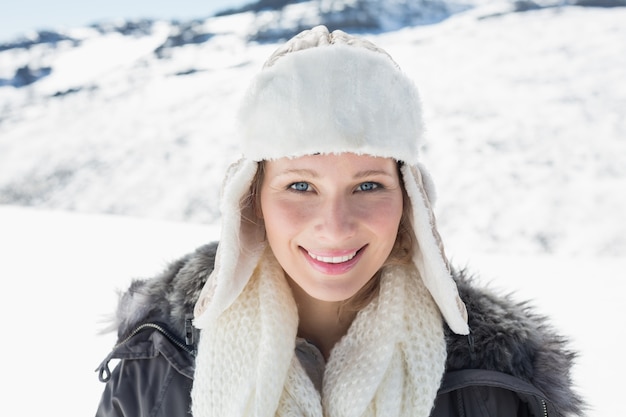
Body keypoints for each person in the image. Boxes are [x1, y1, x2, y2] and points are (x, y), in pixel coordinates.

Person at [95, 26, 584, 417]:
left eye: (368, 186)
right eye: (300, 186)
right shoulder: (156, 359)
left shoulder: (498, 382)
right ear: (251, 200)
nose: (335, 225)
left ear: (410, 199)